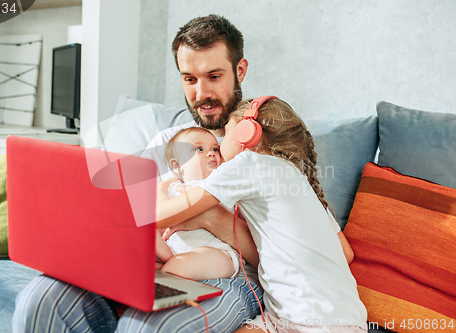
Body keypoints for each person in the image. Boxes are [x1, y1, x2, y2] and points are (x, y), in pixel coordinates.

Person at [12, 15, 263, 333]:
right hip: (149, 268)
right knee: (40, 300)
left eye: (213, 76)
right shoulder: (169, 142)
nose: (201, 93)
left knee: (147, 326)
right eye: (189, 79)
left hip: (233, 277)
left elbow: (285, 251)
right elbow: (129, 217)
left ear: (239, 70)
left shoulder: (264, 145)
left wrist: (210, 218)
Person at [155, 97, 367, 333]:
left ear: (246, 132)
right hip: (323, 317)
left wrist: (162, 188)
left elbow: (159, 216)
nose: (219, 148)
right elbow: (346, 254)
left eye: (225, 134)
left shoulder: (248, 163)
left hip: (310, 319)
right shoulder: (298, 181)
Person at [155, 127, 244, 280]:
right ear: (177, 166)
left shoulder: (222, 182)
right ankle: (163, 262)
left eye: (215, 149)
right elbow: (158, 218)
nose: (211, 153)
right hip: (173, 251)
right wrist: (162, 188)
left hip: (217, 252)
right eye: (199, 149)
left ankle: (166, 272)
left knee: (178, 267)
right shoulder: (172, 187)